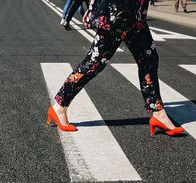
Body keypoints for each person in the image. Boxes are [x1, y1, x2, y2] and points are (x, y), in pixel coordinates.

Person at [47, 0, 184, 136]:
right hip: (117, 11)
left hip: (133, 11)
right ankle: (60, 105)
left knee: (149, 59)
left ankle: (158, 112)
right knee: (95, 62)